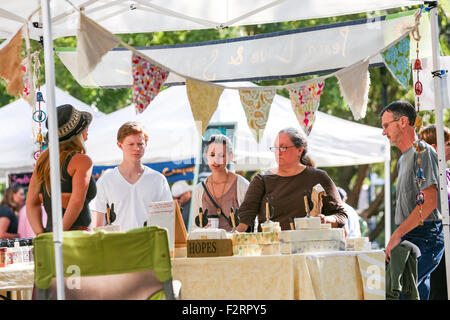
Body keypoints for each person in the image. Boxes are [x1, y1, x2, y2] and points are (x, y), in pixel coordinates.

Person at [381, 100, 444, 300]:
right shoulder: (402, 159)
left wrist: (396, 235)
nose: (383, 132)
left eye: (386, 125)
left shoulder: (422, 152)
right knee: (413, 295)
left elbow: (429, 203)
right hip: (411, 234)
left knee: (398, 293)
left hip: (425, 235)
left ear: (403, 122)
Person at [237, 127, 347, 232]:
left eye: (283, 147)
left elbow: (341, 215)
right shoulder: (262, 180)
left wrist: (325, 220)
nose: (278, 152)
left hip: (309, 247)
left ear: (299, 150)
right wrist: (233, 236)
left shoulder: (318, 178)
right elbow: (245, 216)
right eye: (275, 148)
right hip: (272, 248)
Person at [26, 104, 96, 235]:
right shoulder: (81, 160)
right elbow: (77, 202)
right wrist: (59, 236)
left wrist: (42, 235)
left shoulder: (43, 161)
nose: (88, 129)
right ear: (78, 132)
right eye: (85, 126)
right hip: (77, 237)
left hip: (50, 234)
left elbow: (31, 204)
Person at [91, 121, 172, 231]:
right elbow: (98, 226)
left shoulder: (158, 180)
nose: (136, 148)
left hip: (150, 245)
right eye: (131, 144)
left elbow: (167, 221)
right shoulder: (106, 181)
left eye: (140, 144)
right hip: (118, 245)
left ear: (146, 144)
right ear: (120, 145)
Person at [190, 134, 250, 232]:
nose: (216, 160)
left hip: (235, 245)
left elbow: (252, 222)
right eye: (212, 155)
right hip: (209, 245)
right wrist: (201, 229)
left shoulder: (242, 185)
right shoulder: (199, 189)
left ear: (230, 156)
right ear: (206, 156)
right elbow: (194, 227)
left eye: (221, 155)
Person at [419, 124, 450, 300]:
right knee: (439, 290)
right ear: (436, 147)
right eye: (449, 143)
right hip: (435, 238)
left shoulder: (447, 173)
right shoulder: (426, 175)